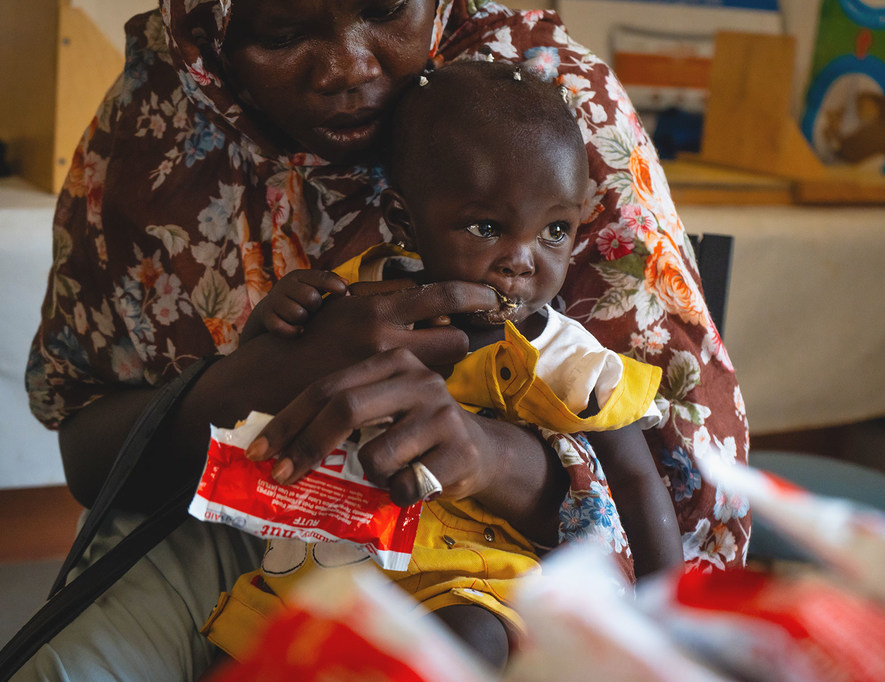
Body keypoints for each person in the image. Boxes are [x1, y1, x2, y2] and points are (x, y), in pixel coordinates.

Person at [20, 0, 748, 679]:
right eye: (281, 34)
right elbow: (92, 453)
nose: (348, 68)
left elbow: (675, 500)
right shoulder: (161, 116)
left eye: (387, 8)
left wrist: (492, 456)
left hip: (491, 562)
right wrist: (255, 377)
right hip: (237, 528)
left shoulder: (549, 111)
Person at [215, 59, 684, 668]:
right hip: (321, 570)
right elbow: (261, 383)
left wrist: (671, 623)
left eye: (555, 231)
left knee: (469, 641)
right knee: (237, 650)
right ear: (406, 223)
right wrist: (273, 322)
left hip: (467, 582)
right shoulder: (356, 302)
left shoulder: (569, 359)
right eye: (487, 227)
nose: (522, 260)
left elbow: (637, 479)